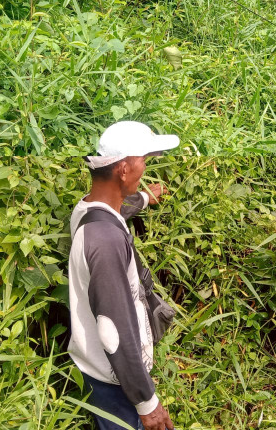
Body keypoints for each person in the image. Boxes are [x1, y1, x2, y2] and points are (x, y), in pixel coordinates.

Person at [68, 121, 179, 430]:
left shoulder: (87, 212)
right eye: (144, 161)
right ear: (124, 169)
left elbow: (116, 210)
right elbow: (113, 331)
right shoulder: (105, 243)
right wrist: (147, 402)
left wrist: (143, 198)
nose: (146, 168)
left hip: (103, 371)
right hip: (114, 380)